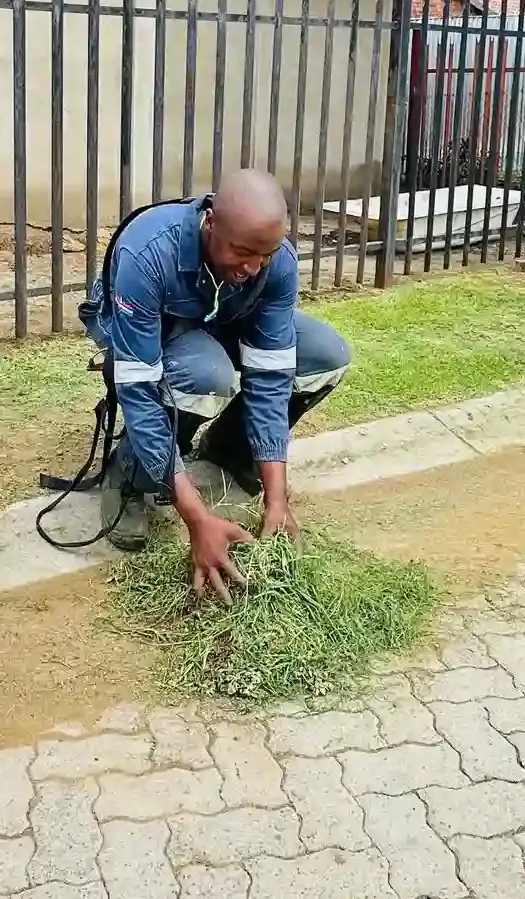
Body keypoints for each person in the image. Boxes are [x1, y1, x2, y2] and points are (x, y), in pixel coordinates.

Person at [79, 169, 351, 600]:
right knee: (206, 377)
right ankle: (129, 474)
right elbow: (138, 390)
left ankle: (228, 449)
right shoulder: (148, 252)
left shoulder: (273, 261)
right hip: (154, 325)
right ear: (210, 223)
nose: (253, 267)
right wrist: (197, 517)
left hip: (219, 313)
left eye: (264, 255)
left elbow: (271, 374)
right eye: (242, 252)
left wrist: (277, 498)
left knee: (324, 356)